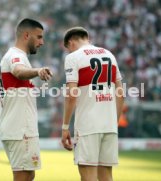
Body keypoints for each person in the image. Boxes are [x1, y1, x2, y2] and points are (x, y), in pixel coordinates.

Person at [61, 27, 124, 181]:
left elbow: (71, 95)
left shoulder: (73, 57)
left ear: (71, 42)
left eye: (68, 48)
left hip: (88, 125)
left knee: (88, 176)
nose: (69, 51)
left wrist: (64, 126)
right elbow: (120, 93)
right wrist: (113, 122)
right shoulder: (109, 54)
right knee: (106, 176)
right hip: (109, 125)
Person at [0, 18, 52, 181]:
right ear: (27, 35)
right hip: (19, 129)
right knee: (23, 176)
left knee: (29, 174)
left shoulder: (18, 56)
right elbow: (19, 71)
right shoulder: (15, 55)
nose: (42, 42)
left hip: (22, 128)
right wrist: (38, 71)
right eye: (39, 37)